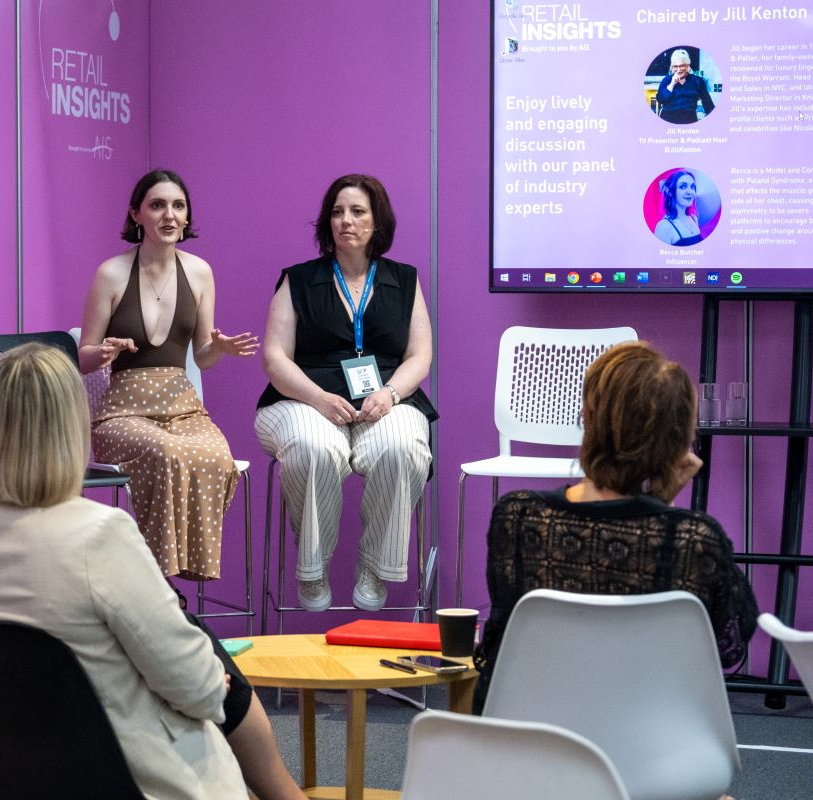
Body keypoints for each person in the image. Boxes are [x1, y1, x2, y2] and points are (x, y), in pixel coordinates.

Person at [0, 343, 303, 800]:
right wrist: (208, 680)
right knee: (205, 660)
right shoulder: (98, 534)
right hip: (131, 779)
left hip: (3, 777)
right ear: (69, 430)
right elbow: (196, 689)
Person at [472, 342, 759, 712]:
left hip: (529, 743)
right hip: (647, 750)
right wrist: (665, 506)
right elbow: (727, 647)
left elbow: (500, 642)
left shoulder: (519, 517)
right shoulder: (694, 539)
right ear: (678, 442)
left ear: (588, 421)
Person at [256, 174, 435, 612]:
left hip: (386, 402)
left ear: (378, 222)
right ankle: (313, 568)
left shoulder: (404, 280)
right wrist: (318, 397)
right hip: (302, 401)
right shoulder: (298, 280)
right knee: (312, 447)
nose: (345, 221)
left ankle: (375, 565)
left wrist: (391, 394)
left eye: (357, 212)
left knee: (405, 448)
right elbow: (275, 358)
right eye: (337, 212)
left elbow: (420, 355)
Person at [78, 168, 258, 582]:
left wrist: (221, 348)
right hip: (123, 414)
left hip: (183, 408)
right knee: (168, 454)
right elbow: (83, 357)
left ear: (187, 217)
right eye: (157, 205)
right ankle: (156, 578)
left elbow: (205, 356)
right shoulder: (111, 273)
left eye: (178, 206)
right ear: (136, 215)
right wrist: (102, 353)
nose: (169, 215)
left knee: (216, 456)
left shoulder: (199, 272)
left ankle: (184, 572)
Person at [655, 48, 715, 124]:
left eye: (682, 66)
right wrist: (672, 84)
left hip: (689, 119)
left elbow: (708, 103)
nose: (679, 69)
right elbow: (660, 99)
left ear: (687, 66)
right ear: (672, 68)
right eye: (675, 66)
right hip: (667, 119)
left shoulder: (698, 81)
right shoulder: (667, 80)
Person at [653, 170, 704, 246]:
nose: (689, 191)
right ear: (670, 192)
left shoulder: (694, 219)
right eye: (683, 186)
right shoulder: (664, 226)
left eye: (692, 187)